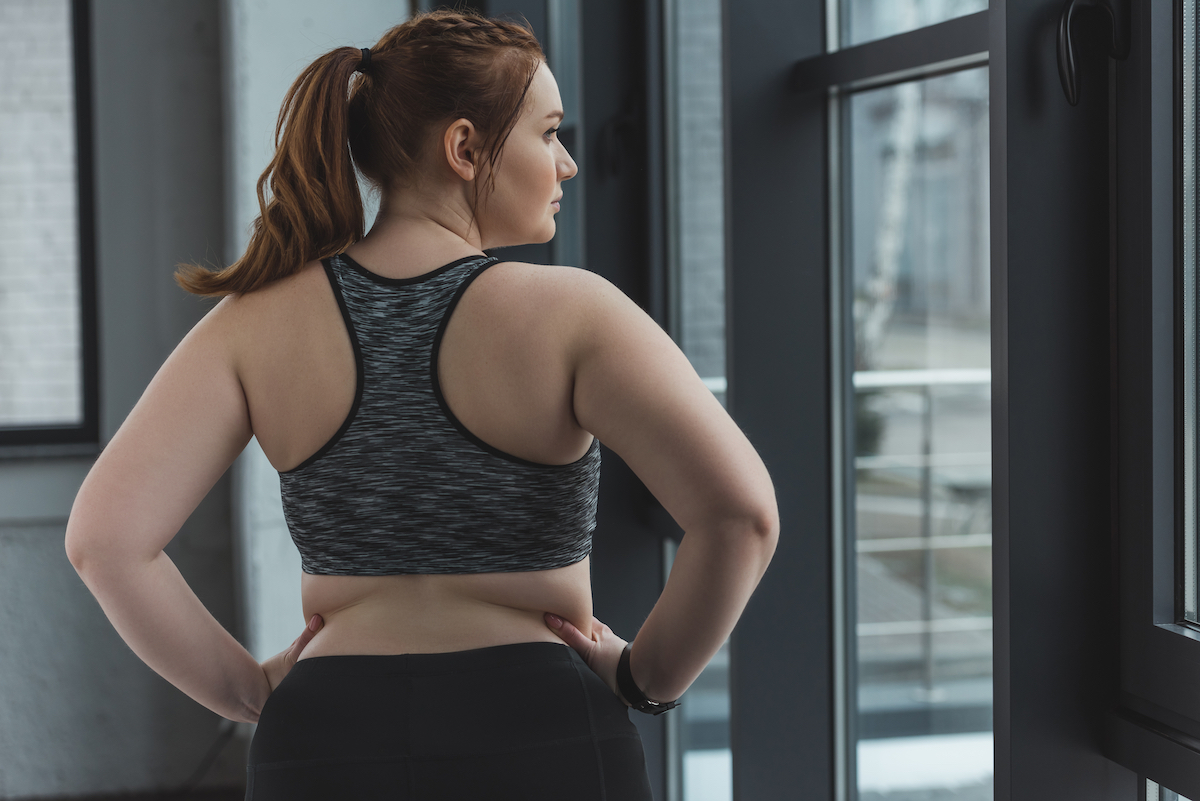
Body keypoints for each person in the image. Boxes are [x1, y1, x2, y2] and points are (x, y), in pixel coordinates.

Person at [64, 9, 778, 800]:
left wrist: (249, 690)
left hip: (323, 739)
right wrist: (646, 678)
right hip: (543, 730)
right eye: (547, 133)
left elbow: (105, 541)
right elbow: (741, 516)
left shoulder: (255, 323)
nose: (568, 162)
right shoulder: (576, 312)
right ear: (466, 148)